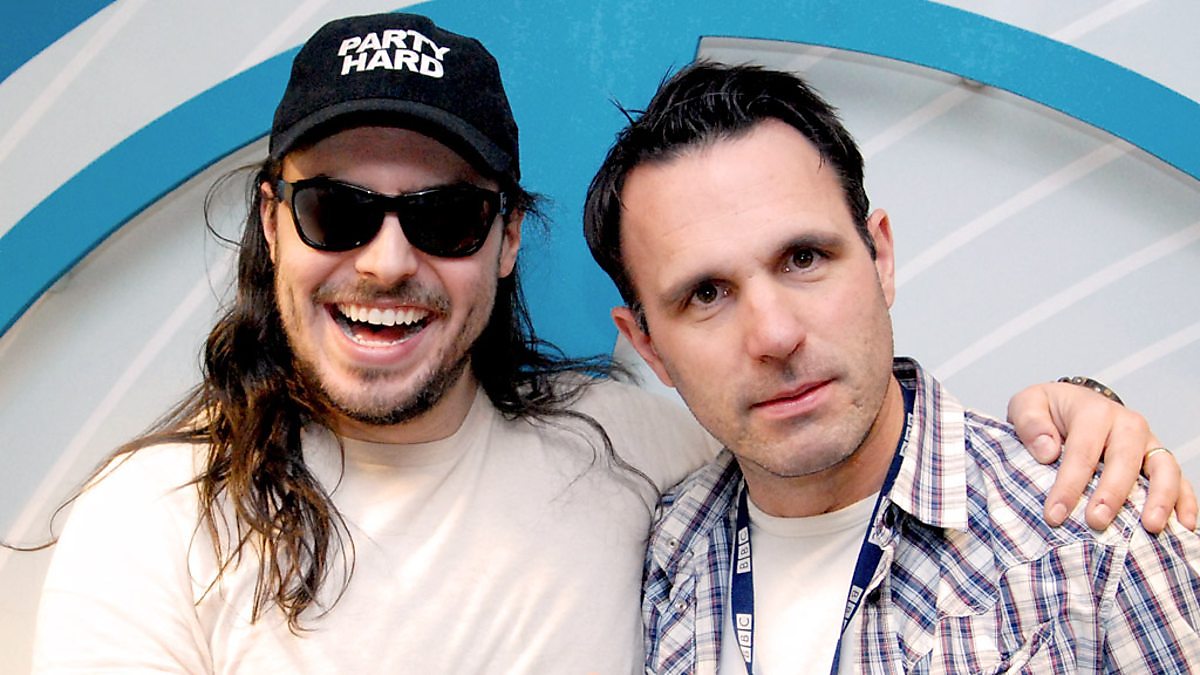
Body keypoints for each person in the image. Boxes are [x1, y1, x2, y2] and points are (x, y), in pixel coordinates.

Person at [27, 13, 1190, 674]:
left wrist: (1074, 418)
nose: (386, 261)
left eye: (444, 216)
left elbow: (865, 450)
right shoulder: (150, 525)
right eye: (337, 210)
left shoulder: (632, 454)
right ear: (274, 222)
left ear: (506, 241)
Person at [582, 61, 1200, 673]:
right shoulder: (655, 559)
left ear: (880, 258)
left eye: (804, 258)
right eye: (706, 294)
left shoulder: (1096, 548)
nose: (774, 335)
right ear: (649, 347)